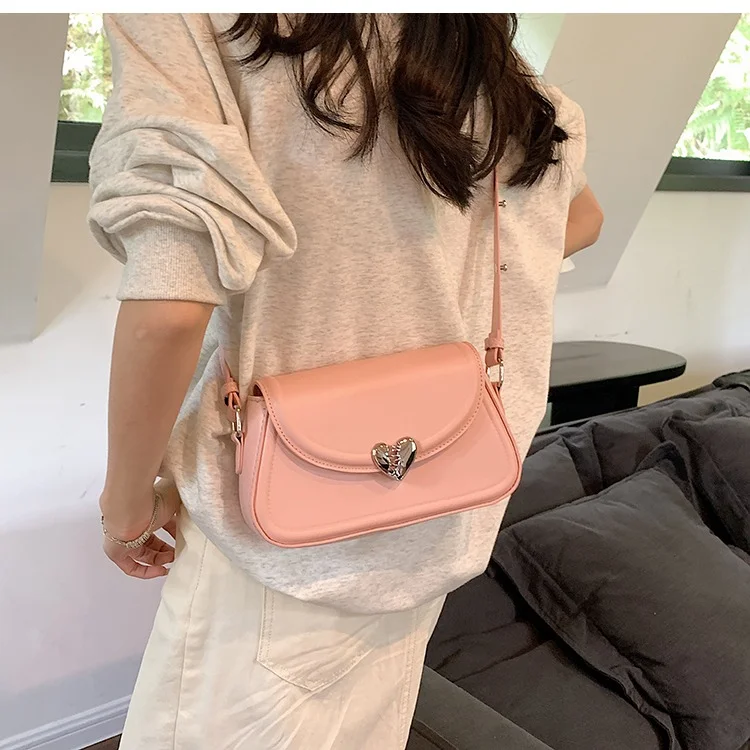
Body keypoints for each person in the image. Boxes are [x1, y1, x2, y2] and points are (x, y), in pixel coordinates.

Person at [89, 13, 603, 750]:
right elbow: (582, 218)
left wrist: (126, 508)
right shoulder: (501, 77)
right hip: (439, 516)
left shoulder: (204, 25)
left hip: (278, 545)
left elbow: (168, 311)